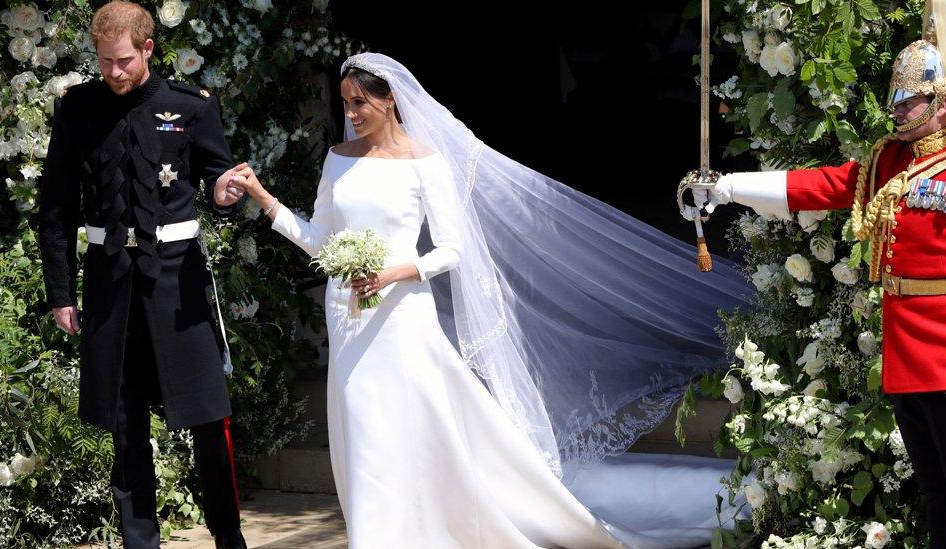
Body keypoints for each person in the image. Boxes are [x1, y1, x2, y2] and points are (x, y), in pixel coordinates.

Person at [232, 52, 750, 547]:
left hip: (401, 316)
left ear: (389, 100)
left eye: (358, 104)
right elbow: (320, 240)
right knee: (361, 432)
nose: (349, 115)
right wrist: (262, 196)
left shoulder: (425, 162)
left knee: (406, 426)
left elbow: (452, 250)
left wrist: (396, 271)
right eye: (344, 104)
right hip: (347, 317)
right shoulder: (338, 159)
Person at [701, 1, 946, 545]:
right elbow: (821, 186)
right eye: (897, 99)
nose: (898, 110)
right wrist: (727, 188)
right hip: (906, 359)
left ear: (940, 104)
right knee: (937, 490)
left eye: (910, 100)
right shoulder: (889, 162)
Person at [37, 2, 247, 547]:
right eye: (104, 61)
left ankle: (229, 538)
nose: (113, 72)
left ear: (148, 49)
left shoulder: (191, 106)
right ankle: (139, 542)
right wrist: (60, 294)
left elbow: (217, 176)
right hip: (110, 285)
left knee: (208, 420)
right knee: (125, 423)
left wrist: (223, 193)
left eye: (124, 60)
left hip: (178, 285)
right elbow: (56, 208)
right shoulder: (78, 108)